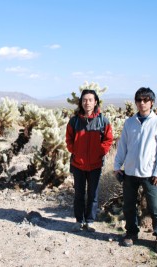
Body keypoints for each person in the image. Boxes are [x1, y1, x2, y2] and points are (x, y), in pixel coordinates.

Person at [114, 87, 157, 253]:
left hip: (150, 174)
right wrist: (117, 166)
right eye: (139, 100)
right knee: (129, 206)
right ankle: (131, 233)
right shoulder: (130, 122)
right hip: (129, 172)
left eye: (146, 100)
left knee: (155, 207)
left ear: (152, 102)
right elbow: (122, 146)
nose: (142, 103)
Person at [66, 89, 113, 232]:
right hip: (78, 164)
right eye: (84, 100)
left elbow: (108, 139)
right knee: (79, 194)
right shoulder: (74, 121)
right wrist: (76, 152)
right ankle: (79, 220)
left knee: (93, 194)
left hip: (95, 164)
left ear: (95, 102)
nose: (87, 103)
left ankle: (90, 221)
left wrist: (100, 152)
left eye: (90, 100)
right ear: (81, 102)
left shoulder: (102, 121)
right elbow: (69, 140)